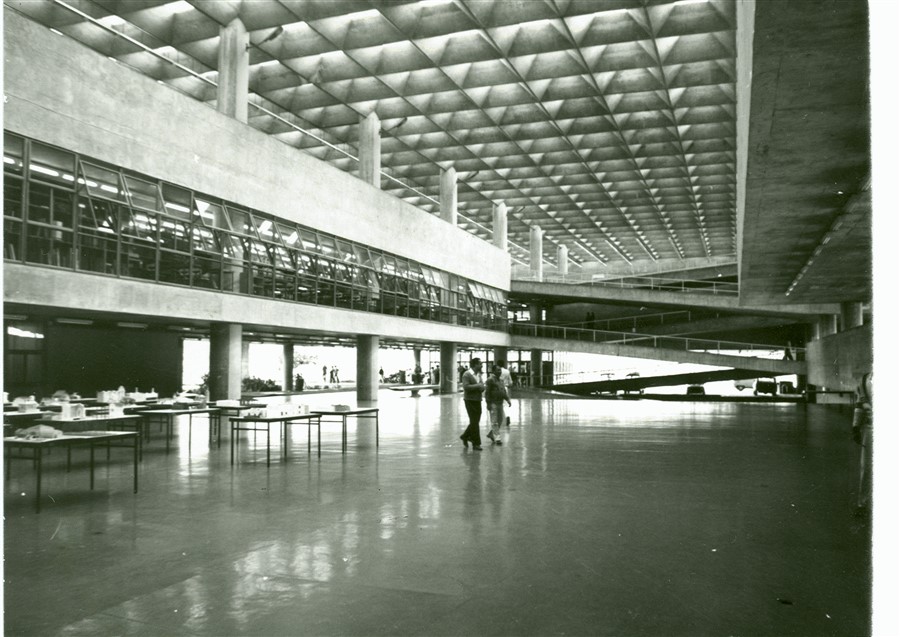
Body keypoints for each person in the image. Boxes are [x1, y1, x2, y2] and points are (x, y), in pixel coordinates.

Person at [459, 357, 485, 450]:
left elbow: (481, 385)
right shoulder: (467, 374)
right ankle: (476, 443)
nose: (482, 365)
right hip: (470, 400)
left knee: (475, 421)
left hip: (478, 400)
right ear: (475, 365)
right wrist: (478, 386)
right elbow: (466, 387)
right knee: (474, 421)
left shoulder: (479, 374)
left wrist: (482, 387)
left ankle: (465, 436)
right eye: (480, 363)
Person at [485, 363, 511, 445]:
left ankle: (491, 434)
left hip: (500, 403)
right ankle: (497, 438)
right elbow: (487, 392)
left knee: (500, 420)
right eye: (498, 370)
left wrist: (507, 399)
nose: (499, 371)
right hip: (493, 403)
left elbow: (503, 391)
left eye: (500, 370)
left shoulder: (501, 380)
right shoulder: (490, 380)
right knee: (494, 421)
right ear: (493, 371)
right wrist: (488, 403)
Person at [497, 360, 513, 426]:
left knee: (497, 403)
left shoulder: (496, 371)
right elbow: (511, 382)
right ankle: (507, 417)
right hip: (505, 388)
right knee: (506, 404)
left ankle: (498, 419)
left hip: (497, 388)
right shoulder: (507, 371)